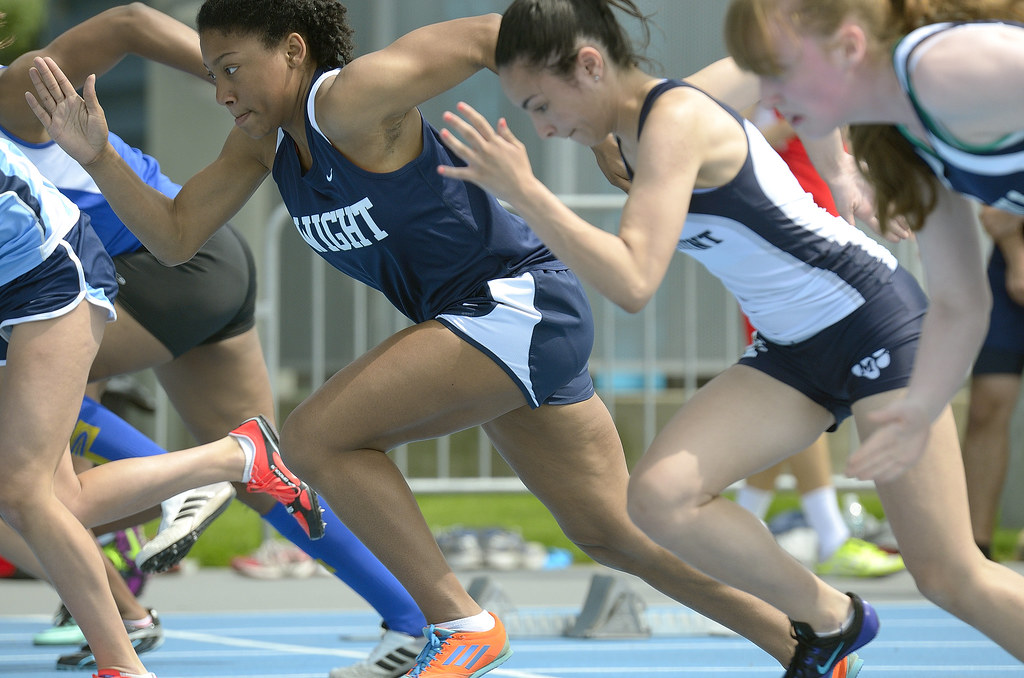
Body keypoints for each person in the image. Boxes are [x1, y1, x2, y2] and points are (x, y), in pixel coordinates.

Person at [25, 2, 863, 677]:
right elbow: (175, 237)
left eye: (231, 67)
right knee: (614, 533)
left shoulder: (348, 98)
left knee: (314, 437)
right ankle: (805, 642)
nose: (220, 91)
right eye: (210, 74)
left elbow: (485, 34)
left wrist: (614, 116)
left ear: (292, 49)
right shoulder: (263, 144)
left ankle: (459, 624)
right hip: (491, 324)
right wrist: (98, 158)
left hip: (514, 301)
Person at [434, 0, 1024, 673]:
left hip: (871, 321)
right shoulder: (650, 123)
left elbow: (634, 280)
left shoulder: (678, 116)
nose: (543, 129)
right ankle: (832, 620)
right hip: (792, 349)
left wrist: (528, 194)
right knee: (659, 497)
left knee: (949, 575)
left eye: (542, 105)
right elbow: (781, 73)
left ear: (590, 66)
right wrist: (836, 167)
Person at [0, 5, 428, 674]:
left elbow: (130, 23)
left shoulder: (17, 87)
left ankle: (181, 497)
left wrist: (238, 86)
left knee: (28, 421)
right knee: (267, 475)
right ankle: (412, 615)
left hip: (154, 264)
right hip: (185, 261)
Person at [736, 107, 904, 578]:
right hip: (780, 248)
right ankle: (826, 535)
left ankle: (743, 530)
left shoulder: (820, 88)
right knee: (798, 391)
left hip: (822, 236)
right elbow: (728, 138)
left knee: (798, 394)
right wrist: (793, 118)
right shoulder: (761, 84)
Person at [962, 205, 1024, 559]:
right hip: (1007, 263)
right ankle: (975, 550)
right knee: (987, 403)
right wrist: (1016, 254)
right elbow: (996, 213)